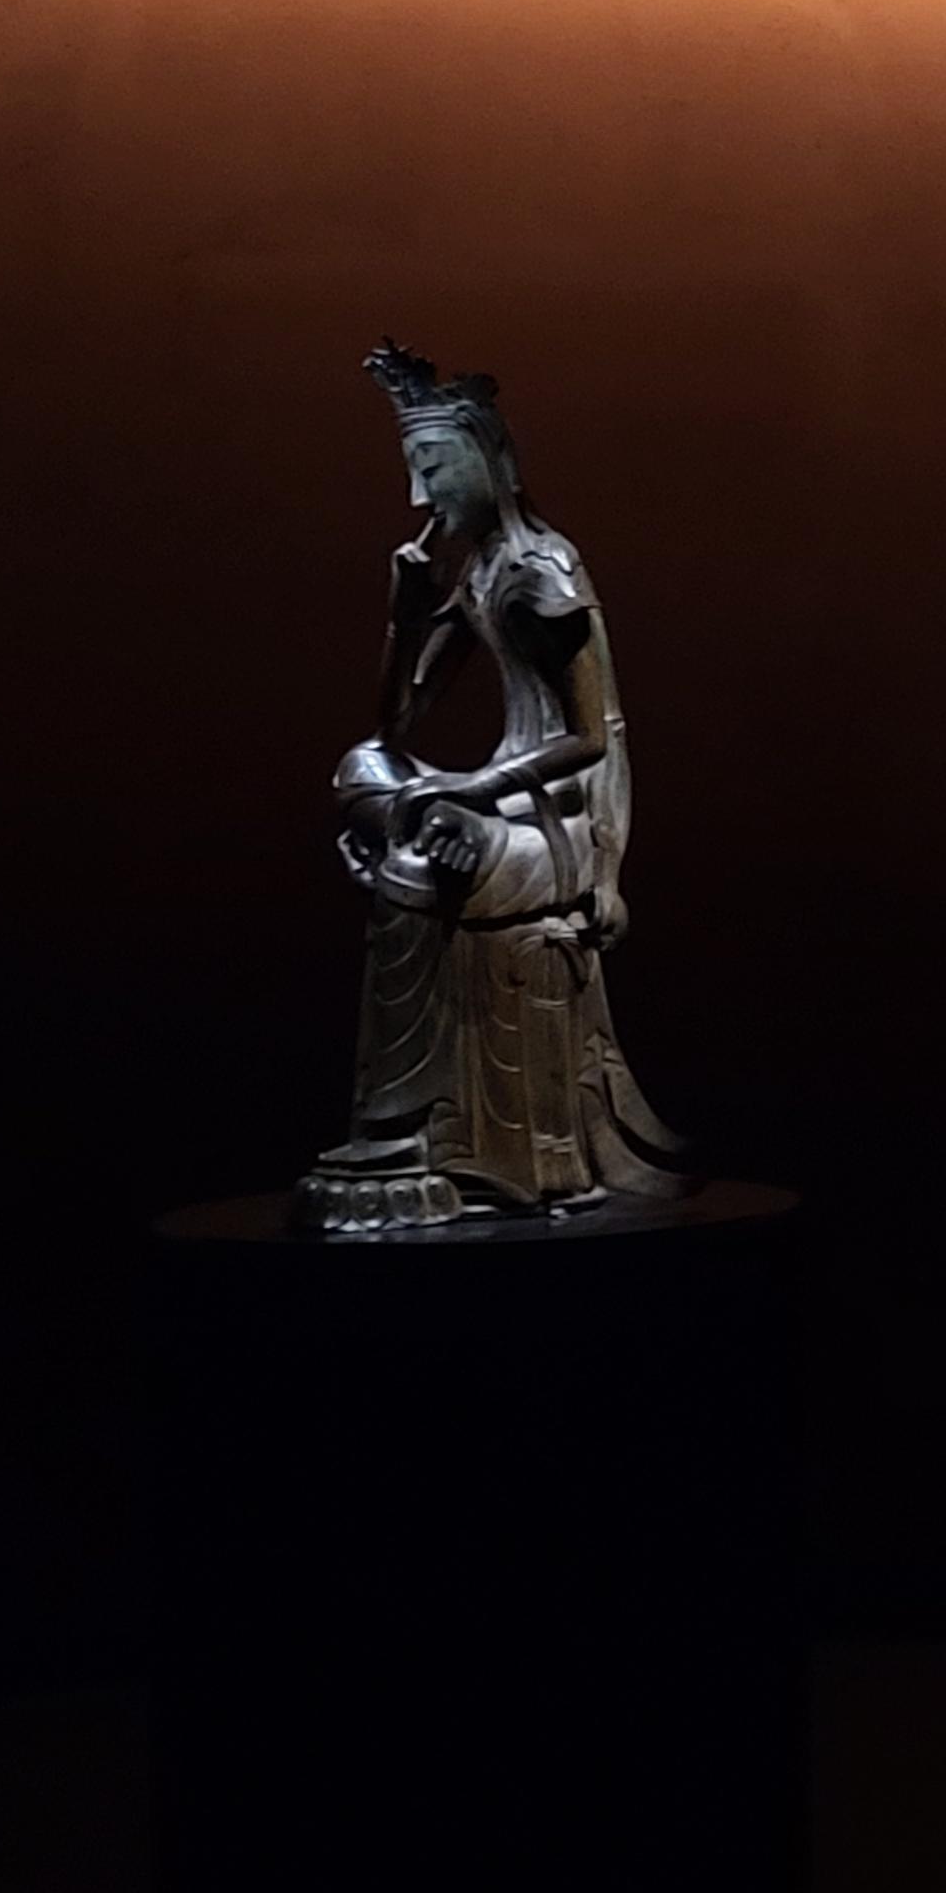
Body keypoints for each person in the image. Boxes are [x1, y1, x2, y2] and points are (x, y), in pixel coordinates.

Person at [297, 343, 693, 1233]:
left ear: (488, 459)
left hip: (560, 819)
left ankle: (404, 1125)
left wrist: (476, 793)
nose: (421, 493)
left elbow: (587, 740)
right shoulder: (478, 568)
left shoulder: (540, 571)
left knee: (417, 862)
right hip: (498, 802)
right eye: (413, 469)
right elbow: (396, 728)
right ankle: (400, 1123)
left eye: (435, 466)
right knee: (360, 767)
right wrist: (403, 619)